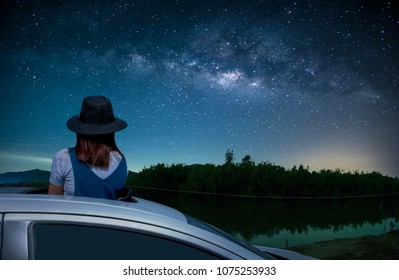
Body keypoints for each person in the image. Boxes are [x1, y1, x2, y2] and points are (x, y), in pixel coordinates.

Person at [48, 95, 128, 199]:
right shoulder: (122, 161)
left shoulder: (63, 158)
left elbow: (53, 202)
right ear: (111, 131)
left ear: (80, 130)